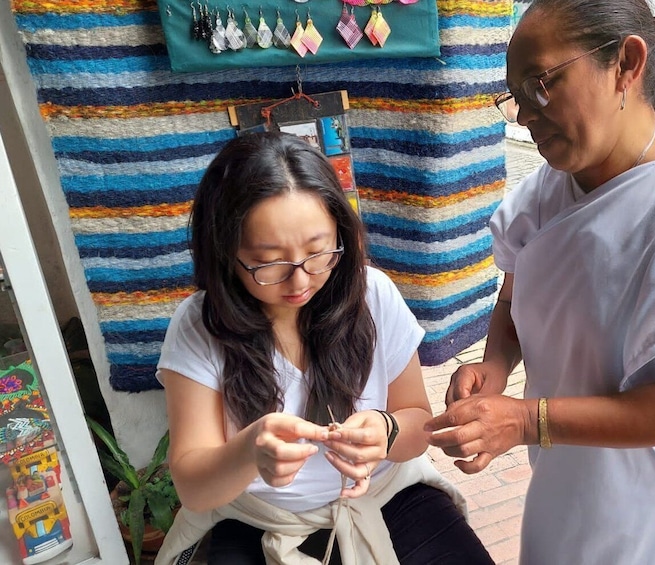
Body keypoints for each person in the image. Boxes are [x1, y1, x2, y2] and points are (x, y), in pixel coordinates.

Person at [425, 1, 655, 563]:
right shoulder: (547, 190)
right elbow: (519, 290)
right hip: (570, 483)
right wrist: (494, 364)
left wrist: (523, 419)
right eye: (514, 94)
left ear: (626, 66)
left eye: (542, 83)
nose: (524, 114)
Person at [152, 132, 494, 565]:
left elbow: (418, 425)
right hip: (259, 516)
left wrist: (387, 432)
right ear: (224, 250)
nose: (300, 281)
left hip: (387, 495)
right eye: (269, 262)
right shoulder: (198, 325)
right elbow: (195, 488)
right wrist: (248, 451)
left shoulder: (373, 294)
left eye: (317, 252)